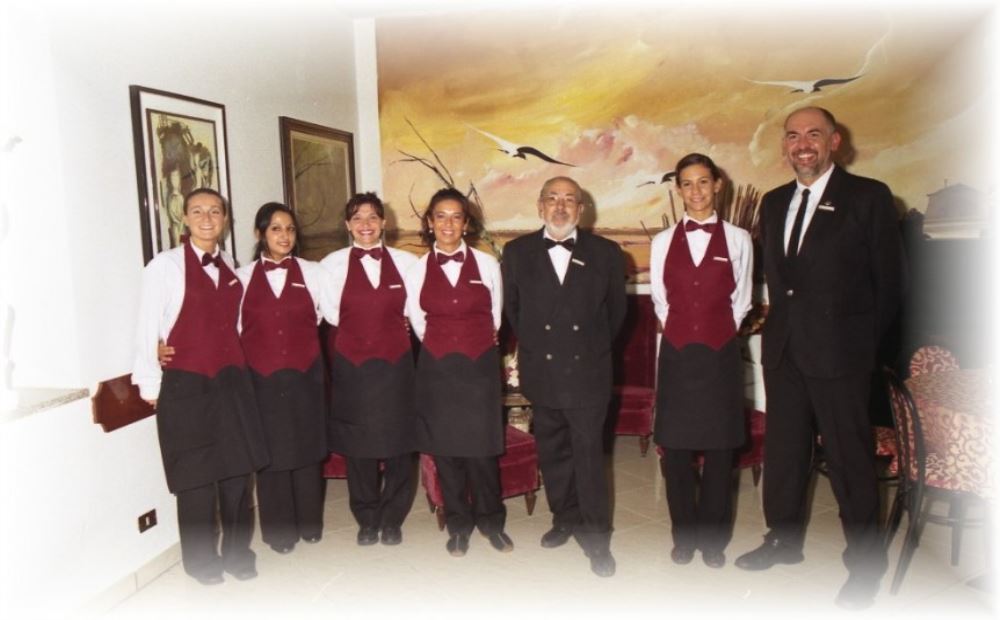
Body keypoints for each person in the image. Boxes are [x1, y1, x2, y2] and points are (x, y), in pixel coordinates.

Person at [733, 107, 904, 610]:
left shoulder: (869, 197)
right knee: (785, 454)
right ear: (784, 146)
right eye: (792, 136)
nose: (802, 144)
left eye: (813, 134)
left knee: (850, 462)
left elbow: (892, 286)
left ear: (834, 141)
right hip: (784, 351)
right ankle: (783, 540)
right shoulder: (773, 202)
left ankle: (865, 567)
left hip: (842, 355)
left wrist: (862, 351)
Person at [132, 188, 268, 585]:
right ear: (185, 218)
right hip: (186, 385)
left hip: (231, 384)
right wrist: (151, 386)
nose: (207, 218)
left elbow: (234, 325)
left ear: (225, 219)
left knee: (237, 476)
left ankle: (238, 554)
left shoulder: (231, 264)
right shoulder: (164, 266)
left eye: (214, 211)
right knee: (195, 480)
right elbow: (147, 329)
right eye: (197, 211)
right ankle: (201, 562)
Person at [501, 176, 626, 577]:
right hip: (543, 371)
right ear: (540, 207)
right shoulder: (517, 252)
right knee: (553, 454)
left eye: (569, 199)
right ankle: (564, 518)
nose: (560, 206)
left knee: (589, 459)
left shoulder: (607, 253)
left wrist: (587, 350)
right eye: (552, 198)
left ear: (581, 210)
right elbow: (514, 312)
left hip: (588, 372)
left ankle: (597, 538)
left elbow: (616, 316)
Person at [649, 154, 753, 569]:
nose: (696, 191)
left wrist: (714, 331)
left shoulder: (740, 239)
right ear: (678, 189)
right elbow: (660, 299)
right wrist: (686, 330)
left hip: (720, 354)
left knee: (720, 450)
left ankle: (713, 540)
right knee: (675, 450)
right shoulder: (661, 242)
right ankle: (683, 536)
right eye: (687, 184)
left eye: (703, 182)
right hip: (677, 355)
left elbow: (742, 300)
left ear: (717, 185)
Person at [403, 187, 514, 557]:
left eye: (456, 217)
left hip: (479, 369)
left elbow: (495, 317)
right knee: (447, 453)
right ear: (430, 222)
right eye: (441, 216)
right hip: (437, 370)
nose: (448, 224)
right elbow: (419, 322)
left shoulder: (487, 265)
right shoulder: (417, 270)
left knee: (482, 453)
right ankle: (458, 527)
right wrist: (446, 346)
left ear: (466, 224)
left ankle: (492, 523)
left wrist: (472, 344)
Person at [320, 192, 418, 547]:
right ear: (348, 225)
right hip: (353, 367)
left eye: (373, 217)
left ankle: (392, 519)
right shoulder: (330, 265)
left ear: (384, 223)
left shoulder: (408, 263)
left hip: (397, 367)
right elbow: (330, 314)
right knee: (358, 446)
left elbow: (417, 310)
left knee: (399, 446)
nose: (366, 224)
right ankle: (366, 518)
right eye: (358, 218)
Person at [235, 203, 329, 554]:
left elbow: (332, 313)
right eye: (276, 229)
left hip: (305, 373)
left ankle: (310, 523)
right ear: (260, 234)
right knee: (271, 453)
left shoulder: (314, 273)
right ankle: (279, 533)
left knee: (306, 448)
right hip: (261, 378)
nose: (285, 236)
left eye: (290, 229)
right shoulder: (241, 278)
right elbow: (231, 328)